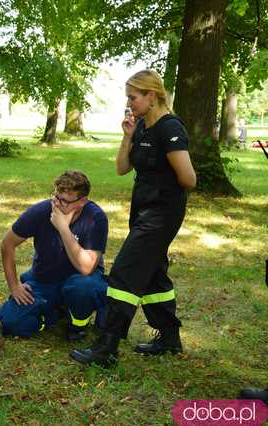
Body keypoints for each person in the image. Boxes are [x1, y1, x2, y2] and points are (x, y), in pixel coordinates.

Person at [71, 69, 196, 367]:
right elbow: (122, 168)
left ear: (151, 96)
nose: (129, 104)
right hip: (142, 210)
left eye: (133, 97)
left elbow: (188, 179)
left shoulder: (170, 128)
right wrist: (127, 137)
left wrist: (162, 186)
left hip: (162, 214)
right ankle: (169, 337)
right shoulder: (141, 127)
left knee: (125, 272)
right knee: (152, 273)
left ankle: (107, 346)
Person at [0, 171, 109, 342]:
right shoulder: (42, 211)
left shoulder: (95, 218)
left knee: (83, 287)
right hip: (45, 280)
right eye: (56, 198)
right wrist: (14, 286)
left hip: (80, 279)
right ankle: (56, 312)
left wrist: (63, 228)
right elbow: (7, 244)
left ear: (82, 202)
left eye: (65, 201)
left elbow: (86, 268)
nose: (57, 205)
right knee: (11, 322)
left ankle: (77, 325)